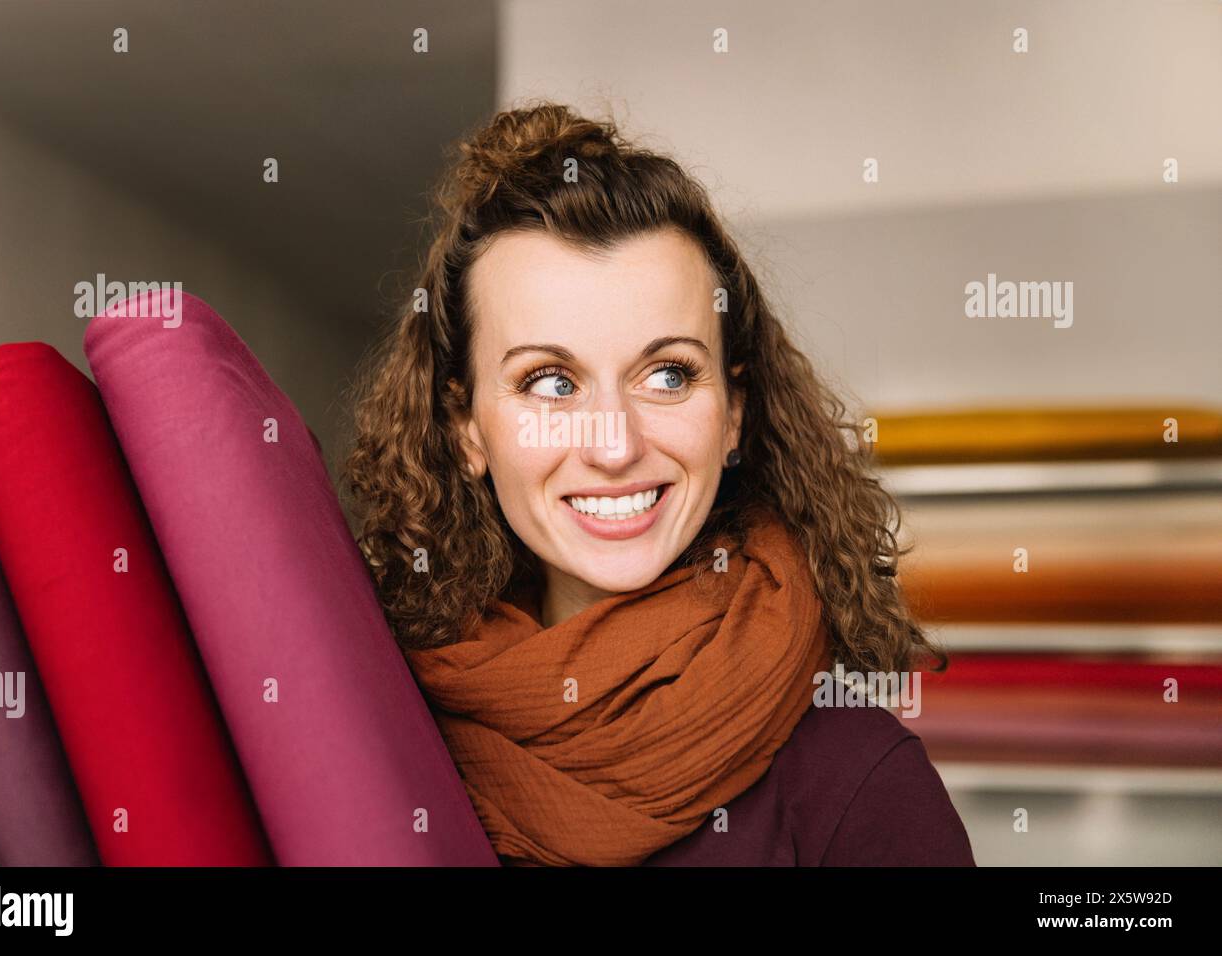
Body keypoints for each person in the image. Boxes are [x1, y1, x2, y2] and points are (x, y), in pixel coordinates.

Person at [343, 101, 975, 866]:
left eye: (668, 374)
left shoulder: (861, 786)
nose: (615, 445)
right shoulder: (384, 743)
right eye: (549, 382)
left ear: (734, 412)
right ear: (466, 428)